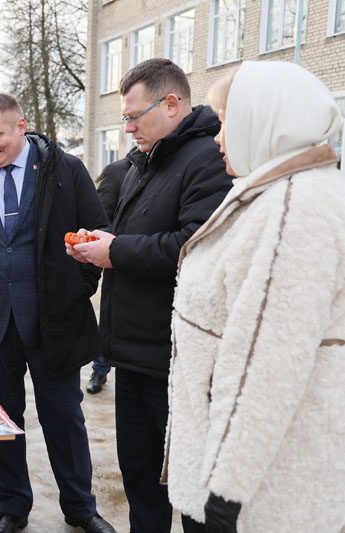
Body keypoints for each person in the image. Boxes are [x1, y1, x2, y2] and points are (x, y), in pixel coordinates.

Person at [166, 61, 345, 533]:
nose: (218, 138)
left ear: (263, 120)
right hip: (235, 463)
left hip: (254, 489)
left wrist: (227, 491)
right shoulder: (272, 192)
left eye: (225, 121)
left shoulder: (294, 207)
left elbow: (267, 361)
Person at [0, 94, 115, 533]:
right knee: (3, 422)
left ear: (21, 126)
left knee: (63, 419)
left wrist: (77, 289)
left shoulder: (64, 171)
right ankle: (13, 508)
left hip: (51, 323)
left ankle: (80, 508)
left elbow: (100, 232)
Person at [66, 58, 232, 533]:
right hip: (132, 353)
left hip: (176, 359)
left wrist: (114, 250)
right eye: (125, 117)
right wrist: (98, 239)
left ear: (173, 103)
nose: (129, 127)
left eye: (135, 116)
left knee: (191, 490)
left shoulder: (206, 159)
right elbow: (137, 231)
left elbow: (194, 244)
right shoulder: (145, 160)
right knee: (140, 480)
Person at [86, 157, 131, 395]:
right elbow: (100, 221)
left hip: (155, 267)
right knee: (110, 319)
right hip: (118, 264)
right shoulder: (117, 172)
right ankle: (100, 369)